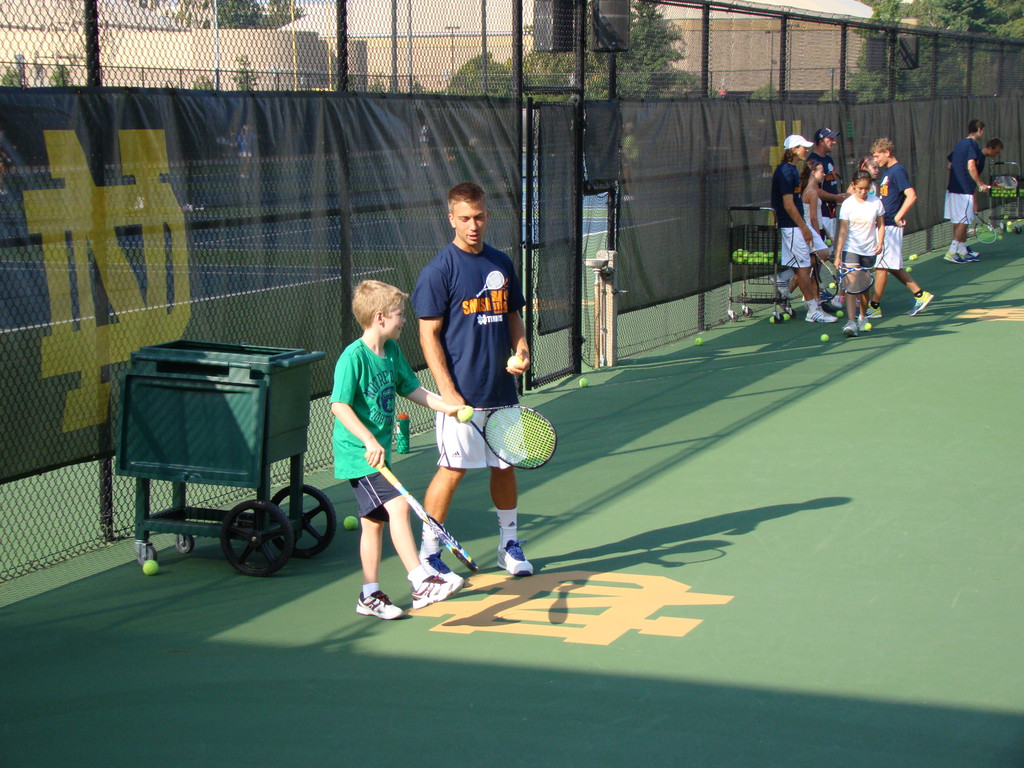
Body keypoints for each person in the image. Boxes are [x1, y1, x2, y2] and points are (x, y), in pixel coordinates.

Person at [411, 182, 535, 577]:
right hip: (461, 398)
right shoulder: (438, 271)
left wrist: (521, 351)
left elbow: (512, 314)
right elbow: (428, 335)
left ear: (487, 215)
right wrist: (448, 392)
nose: (473, 225)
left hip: (502, 393)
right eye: (465, 218)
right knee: (452, 469)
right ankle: (429, 554)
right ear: (451, 219)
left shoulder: (501, 263)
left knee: (504, 466)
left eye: (479, 217)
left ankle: (509, 545)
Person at [330, 280, 464, 620]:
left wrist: (445, 406)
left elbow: (412, 389)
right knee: (399, 505)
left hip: (377, 453)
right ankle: (421, 582)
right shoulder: (353, 358)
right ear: (379, 318)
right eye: (400, 314)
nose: (404, 320)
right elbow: (339, 406)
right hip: (359, 454)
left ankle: (370, 596)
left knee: (373, 524)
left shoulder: (390, 352)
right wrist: (369, 441)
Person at [771, 135, 836, 324]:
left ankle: (783, 278)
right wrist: (803, 228)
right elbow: (788, 205)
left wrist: (805, 227)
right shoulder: (784, 172)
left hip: (799, 225)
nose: (806, 150)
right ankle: (813, 310)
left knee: (822, 252)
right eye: (802, 147)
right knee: (804, 268)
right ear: (792, 149)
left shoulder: (792, 170)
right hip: (792, 227)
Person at [867, 137, 934, 319]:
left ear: (887, 153)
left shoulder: (897, 171)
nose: (876, 160)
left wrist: (898, 215)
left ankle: (874, 307)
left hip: (889, 226)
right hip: (884, 225)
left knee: (882, 266)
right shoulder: (889, 171)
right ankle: (920, 294)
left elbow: (911, 195)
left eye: (877, 155)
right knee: (888, 265)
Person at [833, 169, 885, 337]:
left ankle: (863, 316)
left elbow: (881, 225)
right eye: (859, 188)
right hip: (851, 249)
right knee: (851, 285)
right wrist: (838, 254)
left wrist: (880, 241)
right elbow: (843, 230)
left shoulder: (876, 203)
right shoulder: (848, 205)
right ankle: (851, 322)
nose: (863, 192)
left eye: (866, 188)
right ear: (853, 186)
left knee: (864, 287)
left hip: (869, 250)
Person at [943, 119, 989, 263]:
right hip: (964, 191)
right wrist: (980, 184)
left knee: (959, 219)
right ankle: (952, 252)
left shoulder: (960, 144)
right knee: (963, 220)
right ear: (980, 129)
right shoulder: (972, 145)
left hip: (953, 189)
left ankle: (962, 251)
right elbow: (971, 166)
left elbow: (950, 166)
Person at [808, 128, 849, 243]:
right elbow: (814, 190)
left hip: (832, 213)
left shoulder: (829, 159)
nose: (834, 142)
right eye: (830, 139)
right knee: (823, 249)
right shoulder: (813, 161)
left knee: (831, 248)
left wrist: (840, 197)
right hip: (821, 213)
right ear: (821, 141)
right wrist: (836, 197)